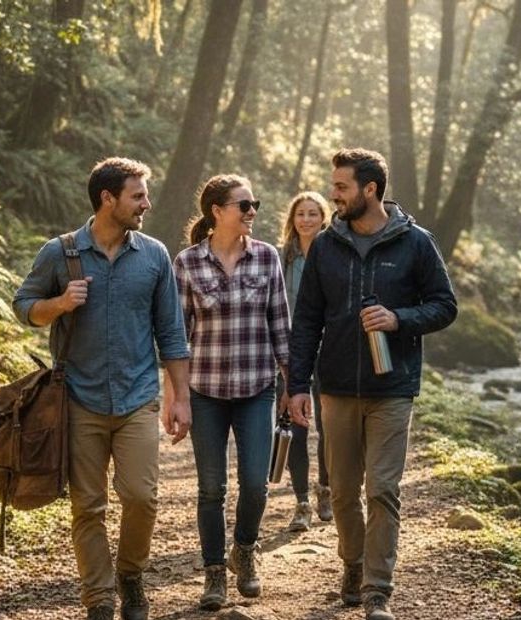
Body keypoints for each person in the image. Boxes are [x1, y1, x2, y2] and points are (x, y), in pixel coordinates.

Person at [12, 157, 191, 620]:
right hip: (78, 400)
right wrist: (59, 303)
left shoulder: (153, 255)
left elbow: (171, 332)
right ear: (107, 199)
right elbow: (23, 307)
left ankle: (130, 574)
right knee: (88, 507)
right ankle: (99, 598)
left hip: (136, 399)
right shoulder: (60, 252)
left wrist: (181, 399)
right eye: (137, 195)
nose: (146, 204)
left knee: (141, 497)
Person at [288, 149, 457, 620]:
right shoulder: (325, 245)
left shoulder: (416, 243)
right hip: (336, 387)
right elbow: (306, 319)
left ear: (370, 190)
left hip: (394, 387)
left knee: (382, 488)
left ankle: (377, 589)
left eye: (340, 187)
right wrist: (298, 384)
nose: (333, 195)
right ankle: (353, 563)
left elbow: (445, 305)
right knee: (342, 491)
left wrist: (398, 318)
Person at [171, 174, 291, 611]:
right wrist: (176, 397)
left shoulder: (267, 258)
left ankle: (245, 548)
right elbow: (176, 336)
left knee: (256, 483)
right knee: (210, 488)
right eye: (244, 205)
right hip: (206, 391)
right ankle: (215, 572)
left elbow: (281, 326)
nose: (252, 211)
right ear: (217, 212)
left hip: (257, 388)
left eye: (253, 204)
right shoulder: (186, 263)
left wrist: (292, 387)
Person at [276, 191, 334, 531]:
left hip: (329, 351)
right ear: (292, 219)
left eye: (314, 213)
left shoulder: (333, 254)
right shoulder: (282, 257)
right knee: (294, 427)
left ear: (323, 217)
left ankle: (324, 489)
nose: (307, 219)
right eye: (301, 213)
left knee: (329, 426)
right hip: (291, 353)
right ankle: (300, 502)